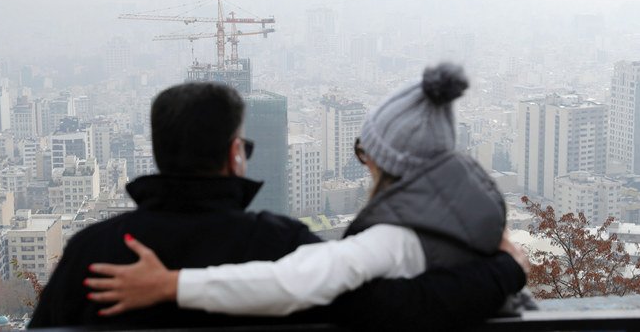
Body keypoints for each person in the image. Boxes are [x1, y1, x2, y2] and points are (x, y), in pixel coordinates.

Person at [81, 65, 528, 329]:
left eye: (365, 151)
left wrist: (171, 283)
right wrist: (507, 269)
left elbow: (295, 284)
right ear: (235, 153)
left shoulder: (92, 254)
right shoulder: (476, 215)